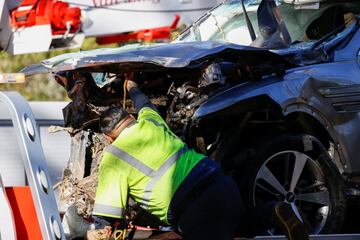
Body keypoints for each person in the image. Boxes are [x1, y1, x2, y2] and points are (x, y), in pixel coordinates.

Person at [89, 73, 244, 240]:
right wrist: (132, 87)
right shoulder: (151, 121)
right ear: (132, 117)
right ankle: (270, 212)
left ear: (108, 139)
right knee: (245, 225)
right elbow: (145, 104)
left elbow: (107, 215)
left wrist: (96, 231)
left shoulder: (112, 157)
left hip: (196, 211)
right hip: (222, 183)